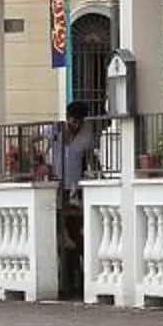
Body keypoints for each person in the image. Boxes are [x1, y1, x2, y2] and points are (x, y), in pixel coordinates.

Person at [42, 105, 99, 298]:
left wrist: (96, 175)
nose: (75, 126)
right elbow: (33, 136)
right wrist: (40, 158)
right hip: (57, 184)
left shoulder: (86, 136)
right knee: (60, 222)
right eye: (73, 121)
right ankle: (66, 265)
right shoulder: (54, 130)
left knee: (76, 228)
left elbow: (91, 157)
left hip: (75, 186)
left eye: (79, 122)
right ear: (67, 118)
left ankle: (74, 277)